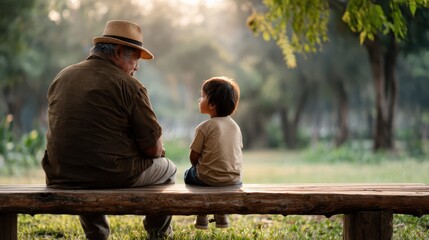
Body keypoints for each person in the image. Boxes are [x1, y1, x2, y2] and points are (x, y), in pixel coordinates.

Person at [42, 20, 177, 240]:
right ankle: (159, 234)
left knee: (89, 166)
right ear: (119, 52)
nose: (137, 66)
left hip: (60, 173)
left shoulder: (62, 76)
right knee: (168, 168)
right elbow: (153, 150)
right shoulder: (130, 86)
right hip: (110, 174)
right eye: (135, 57)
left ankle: (97, 235)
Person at [184, 76, 243, 229]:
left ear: (212, 104)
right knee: (216, 182)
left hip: (207, 178)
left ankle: (202, 215)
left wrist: (199, 168)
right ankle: (221, 215)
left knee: (188, 175)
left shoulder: (204, 127)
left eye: (202, 96)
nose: (199, 99)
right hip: (234, 180)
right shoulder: (235, 127)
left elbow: (193, 156)